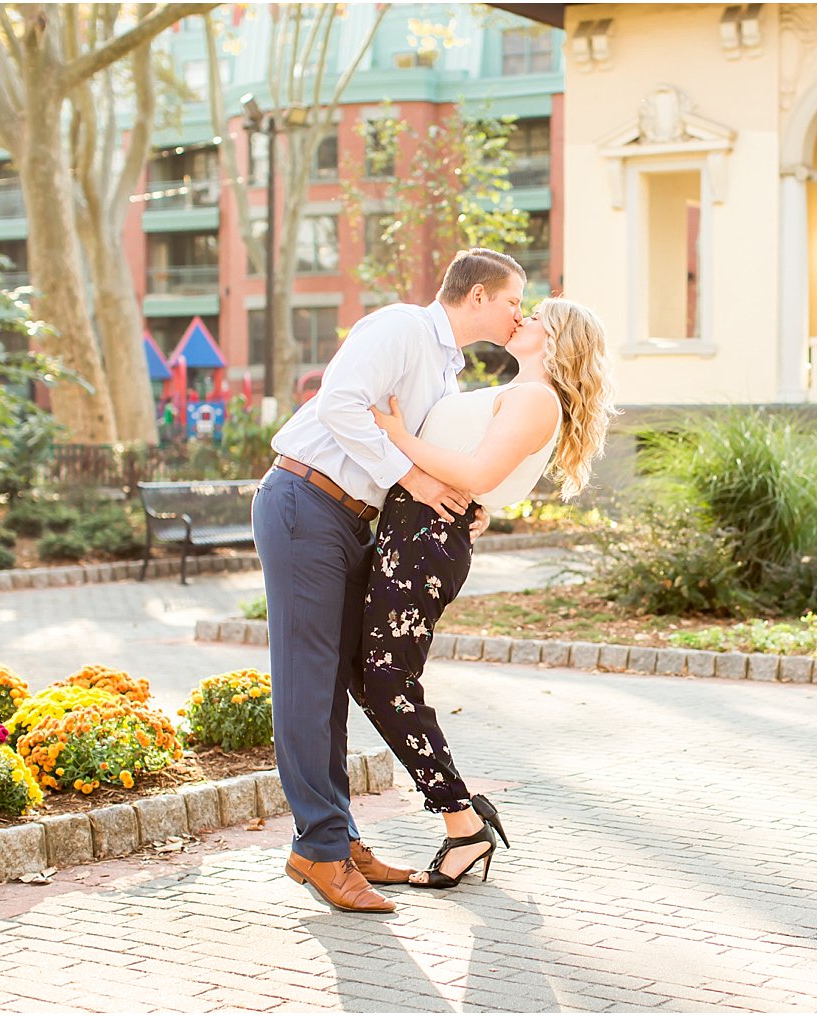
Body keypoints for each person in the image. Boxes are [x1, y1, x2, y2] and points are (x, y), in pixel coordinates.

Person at [253, 248, 524, 914]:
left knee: (338, 680)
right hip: (305, 502)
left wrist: (465, 501)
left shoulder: (447, 369)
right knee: (307, 682)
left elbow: (427, 455)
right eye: (514, 300)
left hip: (351, 521)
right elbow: (340, 404)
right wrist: (413, 478)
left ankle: (337, 840)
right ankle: (318, 852)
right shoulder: (402, 328)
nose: (520, 313)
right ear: (480, 294)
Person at [361, 297, 617, 889]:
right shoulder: (521, 392)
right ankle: (462, 818)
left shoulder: (536, 398)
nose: (523, 318)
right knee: (371, 677)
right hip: (417, 533)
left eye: (537, 316)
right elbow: (486, 475)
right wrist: (484, 510)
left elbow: (477, 475)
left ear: (557, 340)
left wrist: (396, 435)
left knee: (386, 682)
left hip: (425, 542)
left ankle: (462, 824)